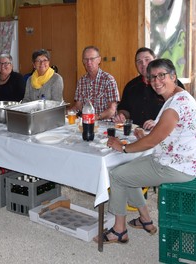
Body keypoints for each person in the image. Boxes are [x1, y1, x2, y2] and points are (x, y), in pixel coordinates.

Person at [95, 59, 196, 244]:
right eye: (152, 77)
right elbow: (164, 136)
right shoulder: (180, 97)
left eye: (161, 76)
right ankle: (145, 219)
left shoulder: (175, 105)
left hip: (175, 167)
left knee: (117, 175)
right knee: (128, 170)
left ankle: (119, 230)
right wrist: (143, 135)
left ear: (173, 77)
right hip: (175, 160)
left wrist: (123, 147)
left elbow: (152, 141)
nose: (156, 81)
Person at [114, 47, 185, 129]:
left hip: (162, 132)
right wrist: (122, 115)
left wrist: (158, 122)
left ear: (155, 60)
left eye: (147, 59)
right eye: (139, 61)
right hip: (135, 132)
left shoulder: (171, 84)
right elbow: (124, 108)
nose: (143, 64)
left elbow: (181, 113)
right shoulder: (131, 85)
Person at [73, 46, 119, 120]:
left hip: (106, 124)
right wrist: (66, 112)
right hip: (87, 123)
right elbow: (78, 107)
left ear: (99, 60)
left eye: (92, 59)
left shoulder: (108, 80)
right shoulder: (81, 81)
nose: (89, 62)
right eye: (86, 59)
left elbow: (112, 110)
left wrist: (96, 117)